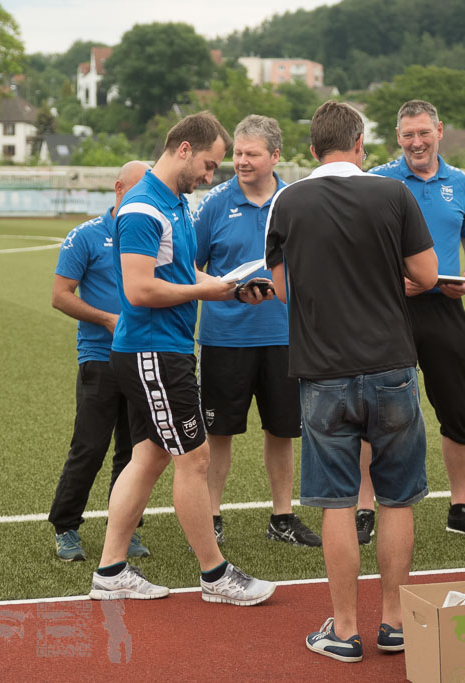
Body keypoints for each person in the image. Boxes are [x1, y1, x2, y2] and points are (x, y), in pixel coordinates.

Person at [264, 101, 437, 663]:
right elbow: (427, 274)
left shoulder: (287, 201)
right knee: (396, 500)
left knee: (336, 504)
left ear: (312, 148)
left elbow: (283, 290)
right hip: (391, 366)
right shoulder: (394, 193)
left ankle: (343, 630)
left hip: (323, 371)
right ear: (360, 144)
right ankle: (394, 623)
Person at [88, 111, 274, 606]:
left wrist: (231, 288)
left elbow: (184, 272)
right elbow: (139, 289)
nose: (211, 176)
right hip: (153, 351)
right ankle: (215, 575)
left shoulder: (176, 204)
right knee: (195, 458)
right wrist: (207, 292)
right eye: (210, 165)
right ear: (185, 150)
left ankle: (110, 571)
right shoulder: (143, 207)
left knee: (149, 456)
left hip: (163, 349)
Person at [362, 99, 465, 543]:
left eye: (424, 132)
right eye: (408, 135)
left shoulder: (461, 183)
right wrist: (392, 279)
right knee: (374, 411)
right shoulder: (377, 180)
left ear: (440, 131)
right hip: (390, 310)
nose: (416, 142)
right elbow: (358, 248)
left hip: (444, 309)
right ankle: (365, 508)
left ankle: (460, 507)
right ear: (397, 137)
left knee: (456, 409)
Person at [193, 114, 320, 548]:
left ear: (276, 155)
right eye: (238, 153)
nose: (242, 161)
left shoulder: (295, 201)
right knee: (219, 433)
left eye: (252, 154)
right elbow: (188, 268)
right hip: (224, 338)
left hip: (284, 337)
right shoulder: (214, 203)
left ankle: (282, 518)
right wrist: (228, 289)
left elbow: (311, 265)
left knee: (282, 431)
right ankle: (211, 516)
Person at [49, 160, 150, 562]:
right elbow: (60, 296)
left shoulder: (150, 233)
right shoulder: (86, 235)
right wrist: (108, 319)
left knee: (135, 451)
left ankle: (124, 528)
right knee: (89, 446)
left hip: (141, 356)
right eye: (138, 190)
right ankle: (66, 526)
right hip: (100, 357)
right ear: (119, 188)